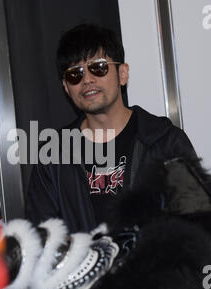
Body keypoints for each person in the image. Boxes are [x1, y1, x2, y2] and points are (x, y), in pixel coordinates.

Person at [25, 23, 197, 233]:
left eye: (98, 67)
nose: (87, 79)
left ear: (122, 73)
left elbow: (196, 230)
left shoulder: (167, 142)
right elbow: (40, 241)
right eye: (74, 74)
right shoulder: (52, 156)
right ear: (66, 88)